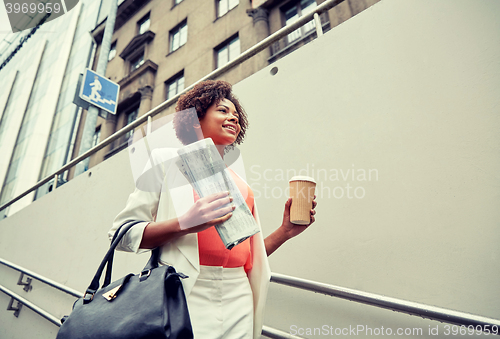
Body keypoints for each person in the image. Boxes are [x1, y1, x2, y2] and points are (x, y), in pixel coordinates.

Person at [109, 80, 317, 339]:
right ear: (196, 119)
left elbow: (249, 256)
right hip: (185, 291)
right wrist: (184, 223)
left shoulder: (241, 184)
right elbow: (121, 234)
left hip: (239, 293)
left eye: (236, 114)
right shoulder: (165, 161)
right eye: (222, 110)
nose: (234, 117)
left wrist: (285, 231)